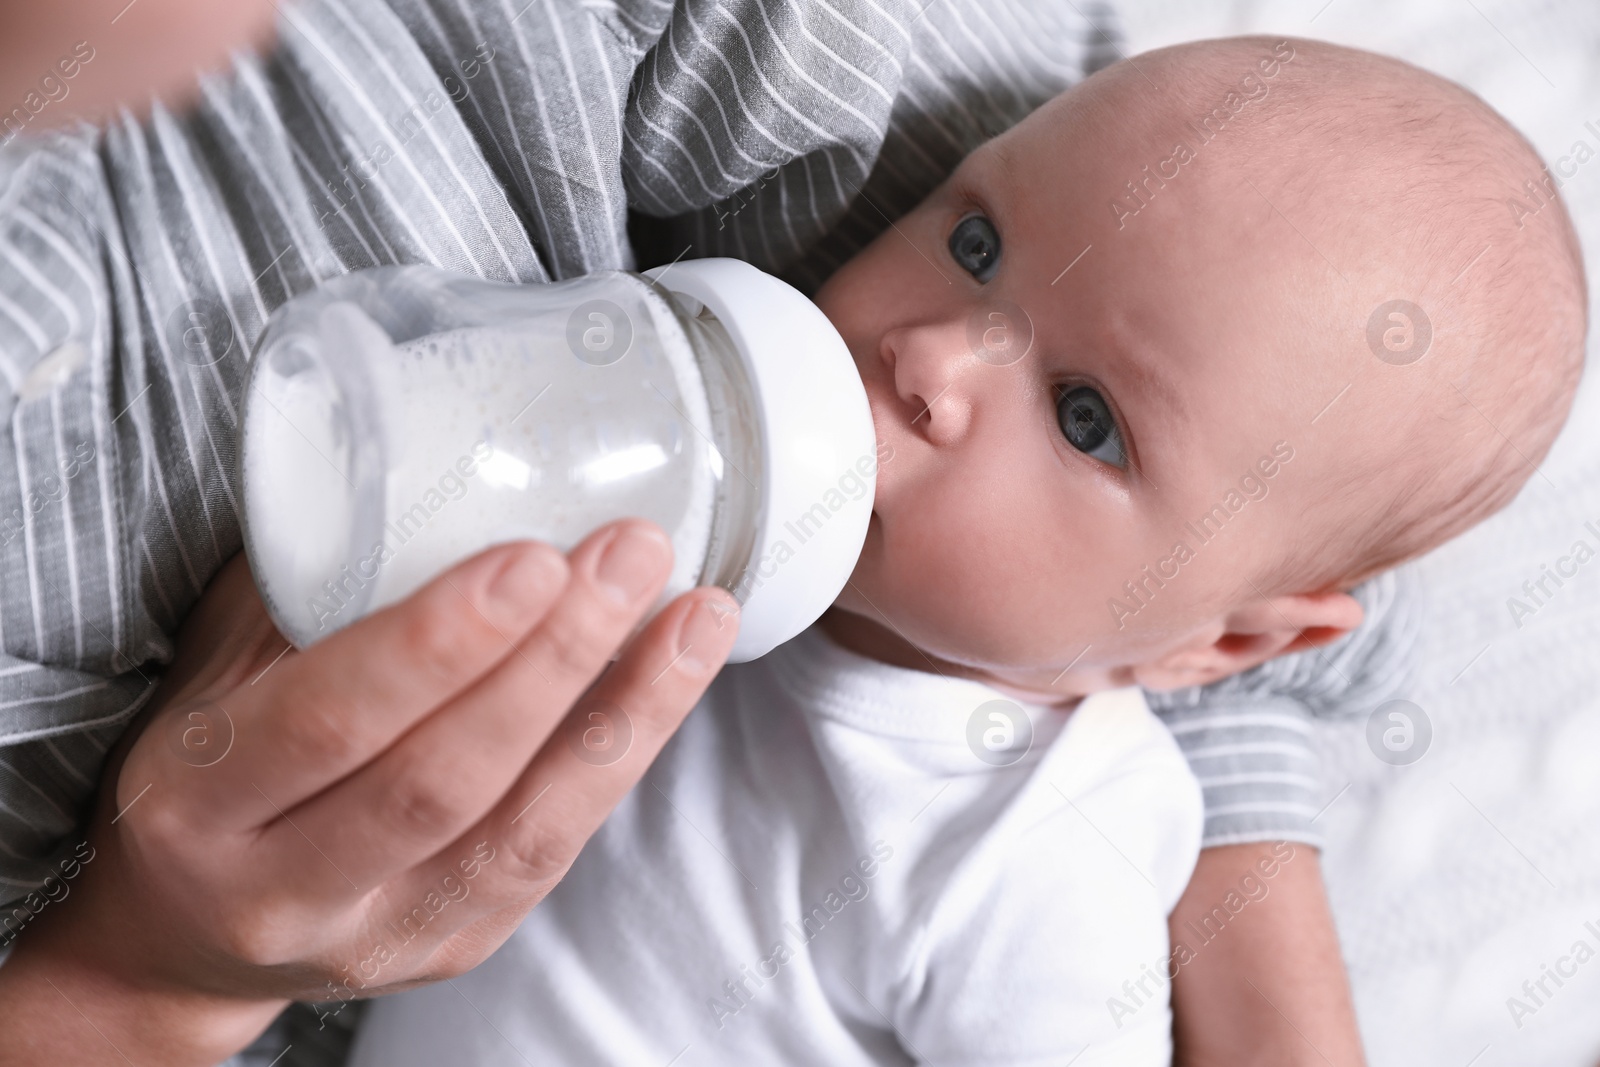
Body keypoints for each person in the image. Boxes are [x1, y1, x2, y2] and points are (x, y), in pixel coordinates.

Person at [0, 2, 1536, 1064]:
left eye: (1085, 418)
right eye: (975, 239)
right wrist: (133, 987)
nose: (933, 356)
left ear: (1220, 641)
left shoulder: (1024, 871)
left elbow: (1289, 467)